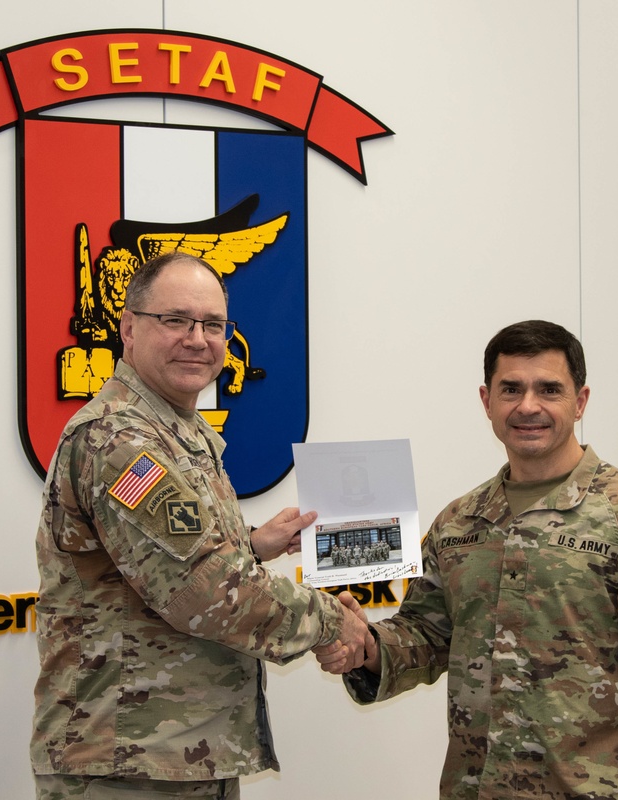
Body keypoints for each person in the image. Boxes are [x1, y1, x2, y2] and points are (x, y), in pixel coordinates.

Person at [317, 320, 618, 799]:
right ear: (487, 401)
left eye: (549, 389)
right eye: (511, 389)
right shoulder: (459, 523)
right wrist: (367, 646)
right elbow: (428, 636)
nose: (528, 406)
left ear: (581, 401)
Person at [31, 252, 370, 800]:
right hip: (126, 765)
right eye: (176, 320)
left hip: (176, 754)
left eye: (213, 324)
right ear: (129, 328)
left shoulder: (175, 429)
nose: (198, 338)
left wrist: (251, 546)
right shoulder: (120, 441)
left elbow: (163, 563)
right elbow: (207, 590)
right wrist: (334, 622)